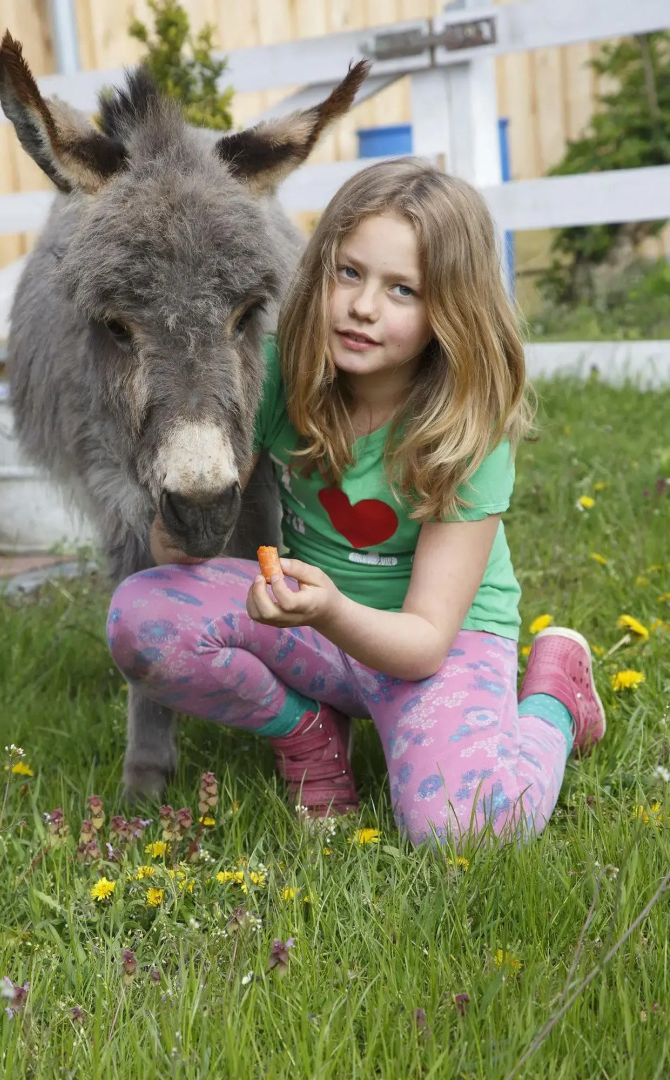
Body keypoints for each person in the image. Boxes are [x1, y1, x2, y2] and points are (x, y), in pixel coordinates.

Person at [106, 158, 605, 846]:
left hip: (436, 645)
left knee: (467, 829)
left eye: (402, 289)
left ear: (451, 311)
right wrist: (183, 534)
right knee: (141, 614)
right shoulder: (285, 369)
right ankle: (305, 729)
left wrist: (334, 610)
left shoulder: (469, 429)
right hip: (314, 624)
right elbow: (216, 502)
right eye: (350, 272)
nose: (364, 306)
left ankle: (555, 692)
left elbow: (427, 640)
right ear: (320, 272)